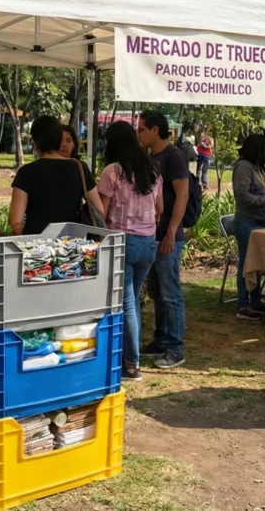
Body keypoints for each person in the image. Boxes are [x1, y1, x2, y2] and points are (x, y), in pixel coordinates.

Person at [97, 121, 162, 382]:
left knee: (126, 304)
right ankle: (129, 357)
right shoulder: (152, 170)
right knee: (132, 301)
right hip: (148, 242)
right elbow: (160, 209)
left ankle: (131, 364)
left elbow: (101, 212)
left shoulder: (112, 171)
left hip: (122, 241)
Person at [137, 110, 189, 370]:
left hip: (169, 235)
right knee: (157, 291)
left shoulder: (174, 157)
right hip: (152, 235)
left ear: (155, 130)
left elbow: (182, 196)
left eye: (141, 129)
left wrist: (171, 231)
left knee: (170, 293)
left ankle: (176, 348)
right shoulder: (151, 157)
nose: (139, 134)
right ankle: (161, 339)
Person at [9, 115, 103, 236]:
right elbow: (99, 209)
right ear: (59, 140)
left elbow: (15, 223)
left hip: (37, 247)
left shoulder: (25, 172)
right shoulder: (80, 168)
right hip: (72, 245)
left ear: (36, 143)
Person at [231, 134, 265, 321]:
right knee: (246, 263)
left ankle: (255, 301)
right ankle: (243, 304)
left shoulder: (258, 168)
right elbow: (241, 195)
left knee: (256, 264)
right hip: (247, 223)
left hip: (261, 222)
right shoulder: (243, 168)